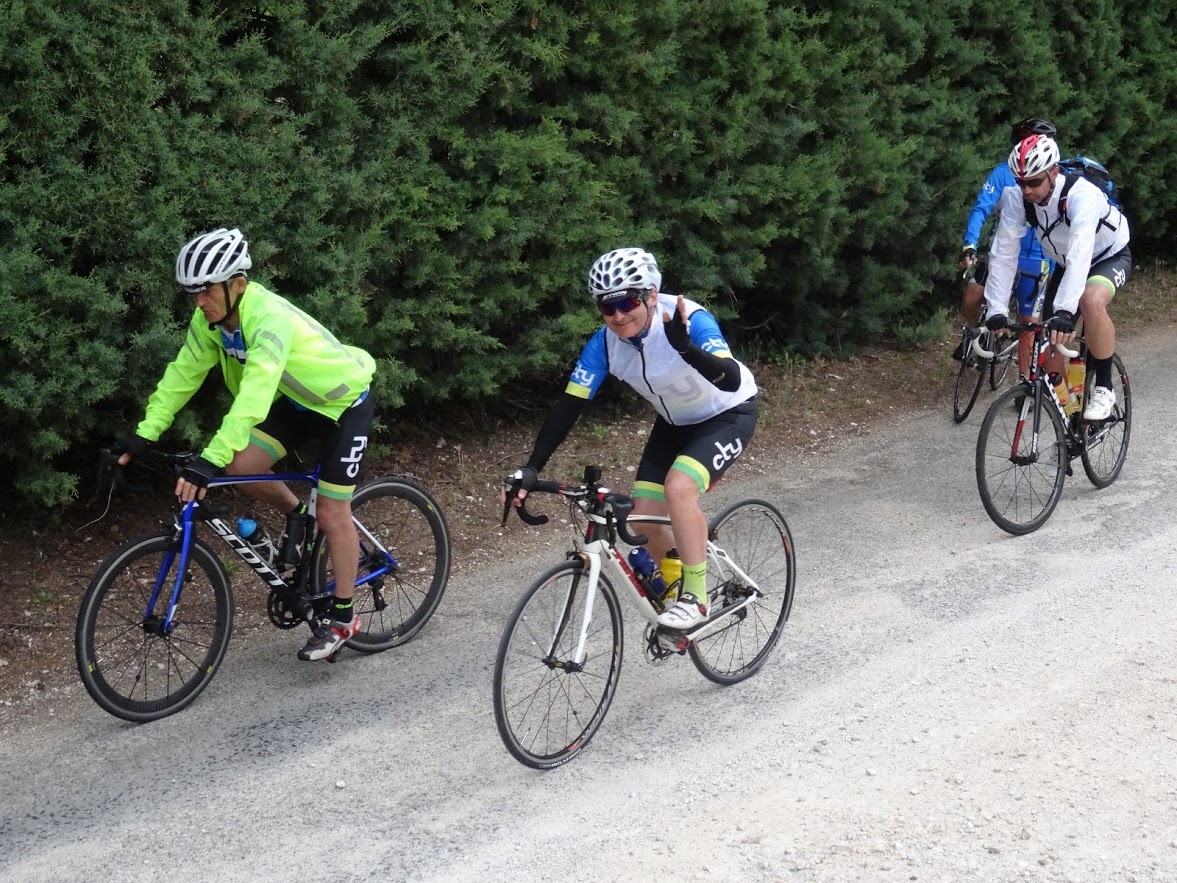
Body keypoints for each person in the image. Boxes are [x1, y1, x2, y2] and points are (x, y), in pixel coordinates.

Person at [114, 228, 377, 661]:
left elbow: (255, 395)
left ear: (238, 284)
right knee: (239, 466)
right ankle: (299, 516)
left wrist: (207, 459)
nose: (199, 301)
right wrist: (145, 434)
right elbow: (182, 376)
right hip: (299, 402)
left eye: (206, 291)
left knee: (332, 510)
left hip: (344, 403)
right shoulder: (211, 323)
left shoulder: (268, 318)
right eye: (193, 292)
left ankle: (344, 616)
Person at [504, 247, 758, 630]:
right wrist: (531, 467)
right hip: (675, 423)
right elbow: (569, 407)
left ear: (651, 295)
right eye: (608, 308)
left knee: (679, 490)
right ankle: (677, 585)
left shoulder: (690, 319)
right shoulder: (604, 344)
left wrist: (685, 347)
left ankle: (696, 598)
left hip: (728, 413)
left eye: (627, 302)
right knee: (643, 518)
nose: (619, 316)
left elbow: (732, 378)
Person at [984, 135, 1131, 421]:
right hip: (1066, 263)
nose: (1026, 190)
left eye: (1034, 182)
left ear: (1054, 173)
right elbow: (1004, 252)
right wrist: (997, 308)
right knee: (1050, 356)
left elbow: (1080, 250)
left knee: (1089, 300)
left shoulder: (1082, 196)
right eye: (1020, 181)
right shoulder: (1017, 197)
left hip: (1107, 255)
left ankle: (1104, 386)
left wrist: (1065, 310)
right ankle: (1072, 425)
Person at [956, 118, 1058, 373]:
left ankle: (1026, 385)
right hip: (1002, 250)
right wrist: (970, 244)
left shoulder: (1054, 177)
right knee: (973, 295)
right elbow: (981, 208)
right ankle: (972, 336)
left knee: (1028, 322)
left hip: (1038, 257)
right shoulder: (1003, 173)